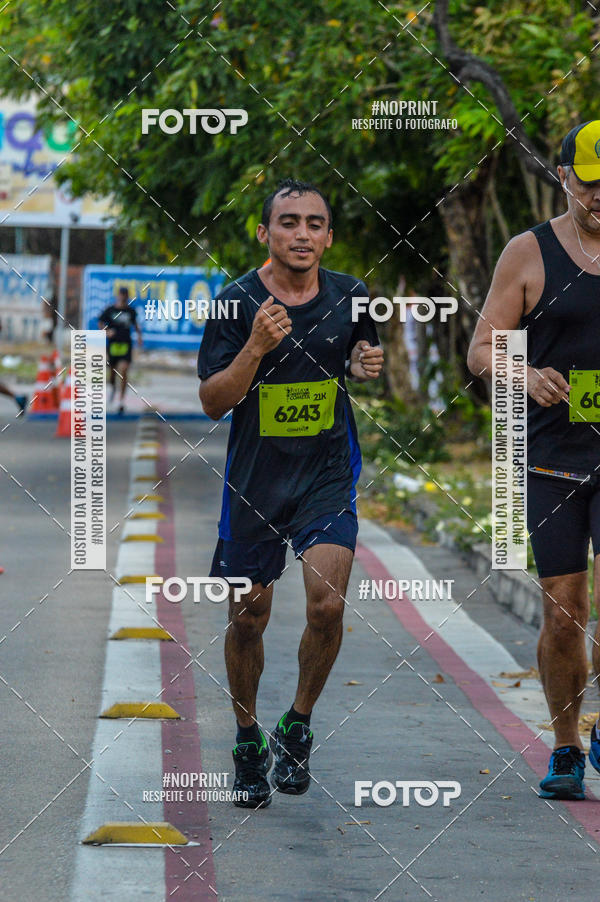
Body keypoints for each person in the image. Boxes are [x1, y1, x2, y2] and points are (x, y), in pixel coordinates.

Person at [198, 178, 384, 808]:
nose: (302, 234)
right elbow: (212, 402)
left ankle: (297, 724)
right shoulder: (235, 302)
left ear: (329, 237)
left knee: (327, 607)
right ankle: (248, 739)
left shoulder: (352, 296)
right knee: (248, 617)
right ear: (264, 233)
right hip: (255, 483)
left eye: (314, 224)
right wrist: (255, 346)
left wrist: (361, 368)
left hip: (326, 476)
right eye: (288, 222)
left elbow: (359, 360)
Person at [468, 120, 600, 801]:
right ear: (565, 178)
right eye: (591, 184)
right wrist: (524, 375)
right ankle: (567, 745)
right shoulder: (529, 252)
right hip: (554, 461)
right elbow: (482, 350)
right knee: (565, 612)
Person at [98, 286, 142, 414]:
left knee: (123, 370)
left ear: (127, 296)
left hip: (126, 345)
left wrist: (139, 336)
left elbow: (136, 325)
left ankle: (121, 400)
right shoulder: (110, 310)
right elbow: (100, 322)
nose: (123, 297)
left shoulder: (131, 311)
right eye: (121, 295)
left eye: (125, 295)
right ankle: (112, 387)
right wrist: (107, 331)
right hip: (113, 345)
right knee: (112, 372)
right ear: (118, 296)